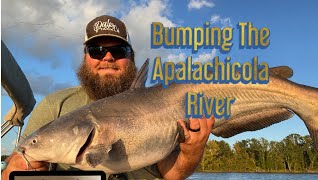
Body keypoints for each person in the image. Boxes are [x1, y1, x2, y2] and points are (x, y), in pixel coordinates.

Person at [1, 15, 214, 180]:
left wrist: (190, 153)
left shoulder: (168, 104)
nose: (108, 57)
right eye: (97, 50)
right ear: (86, 57)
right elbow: (16, 165)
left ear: (131, 57)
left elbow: (172, 174)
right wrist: (15, 170)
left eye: (119, 51)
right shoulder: (55, 106)